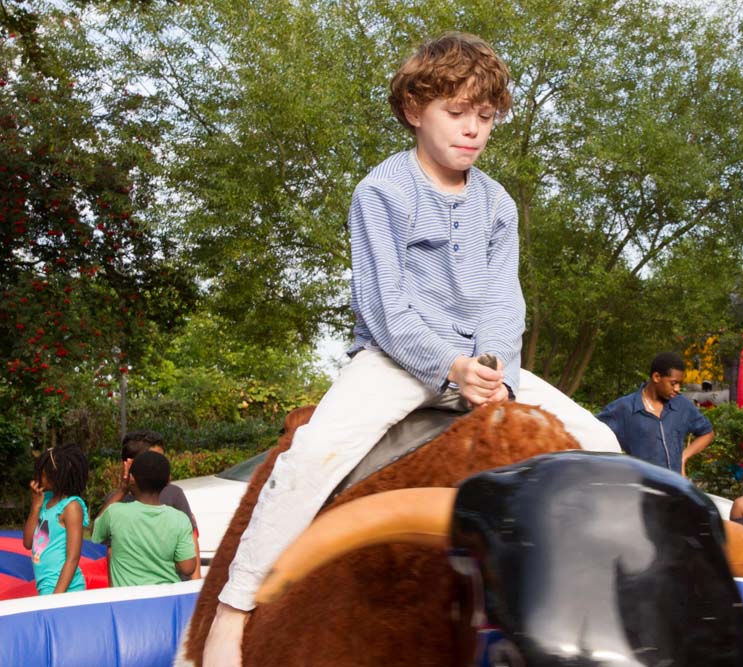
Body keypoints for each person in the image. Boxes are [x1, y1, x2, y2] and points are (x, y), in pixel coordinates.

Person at [203, 32, 620, 665]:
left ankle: (600, 603)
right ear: (413, 110)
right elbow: (386, 308)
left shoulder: (498, 204)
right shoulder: (380, 192)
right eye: (457, 112)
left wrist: (494, 373)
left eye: (486, 116)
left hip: (484, 361)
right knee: (310, 456)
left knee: (604, 443)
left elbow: (504, 302)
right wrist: (449, 368)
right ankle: (233, 609)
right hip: (397, 360)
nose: (473, 129)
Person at [96, 429, 201, 580]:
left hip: (174, 589)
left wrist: (195, 587)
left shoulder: (174, 494)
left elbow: (191, 541)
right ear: (130, 465)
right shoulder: (116, 504)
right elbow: (110, 551)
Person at [597, 352, 714, 476]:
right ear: (656, 377)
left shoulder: (682, 405)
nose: (677, 389)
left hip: (675, 484)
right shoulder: (624, 408)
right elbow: (592, 434)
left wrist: (683, 457)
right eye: (673, 383)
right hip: (642, 485)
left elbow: (707, 433)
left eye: (680, 384)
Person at [22, 444, 90, 595]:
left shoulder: (71, 507)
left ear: (56, 477)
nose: (37, 477)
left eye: (42, 474)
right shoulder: (44, 500)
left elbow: (73, 557)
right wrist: (35, 507)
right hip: (46, 586)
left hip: (65, 590)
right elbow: (27, 543)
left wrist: (56, 598)